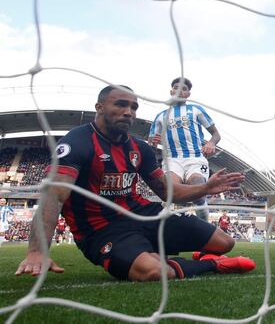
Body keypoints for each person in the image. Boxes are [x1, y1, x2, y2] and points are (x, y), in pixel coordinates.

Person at [15, 85, 255, 281]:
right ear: (99, 107)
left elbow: (166, 192)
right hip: (101, 230)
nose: (129, 111)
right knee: (155, 272)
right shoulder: (77, 142)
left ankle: (167, 254)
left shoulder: (139, 147)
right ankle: (213, 265)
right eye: (120, 104)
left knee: (225, 242)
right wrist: (37, 252)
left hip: (146, 216)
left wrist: (205, 188)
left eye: (133, 107)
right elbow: (53, 196)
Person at [148, 77, 221, 222]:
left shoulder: (196, 110)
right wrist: (153, 143)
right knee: (170, 193)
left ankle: (204, 223)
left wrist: (211, 144)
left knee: (199, 193)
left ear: (188, 94)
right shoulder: (161, 116)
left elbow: (216, 135)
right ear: (171, 91)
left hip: (195, 158)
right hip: (172, 160)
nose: (179, 90)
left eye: (184, 89)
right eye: (176, 87)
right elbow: (151, 143)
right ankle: (168, 225)